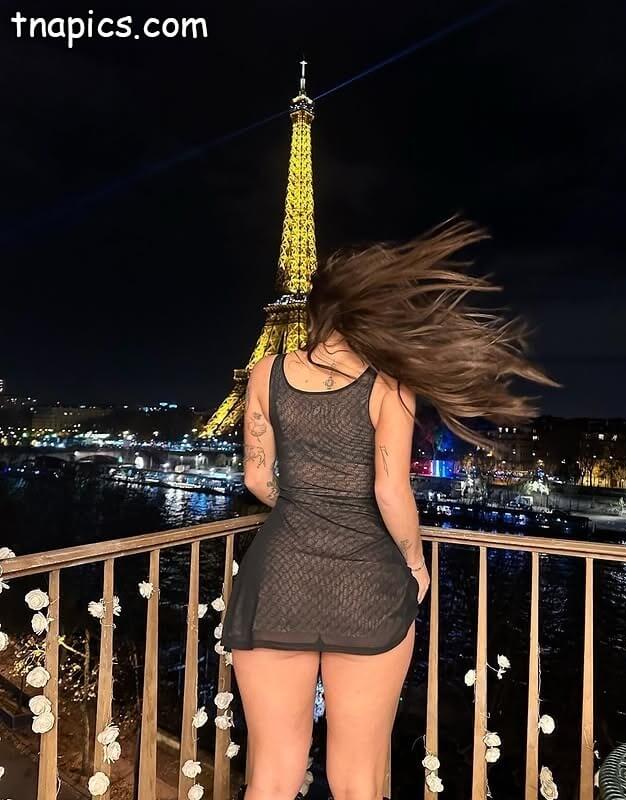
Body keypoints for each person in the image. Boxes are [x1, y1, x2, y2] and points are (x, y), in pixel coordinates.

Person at [220, 216, 560, 800]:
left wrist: (303, 504)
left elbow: (256, 476)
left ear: (314, 312)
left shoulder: (265, 374)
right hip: (367, 585)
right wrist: (416, 563)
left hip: (277, 580)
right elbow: (389, 490)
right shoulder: (389, 385)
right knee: (357, 780)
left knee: (272, 775)